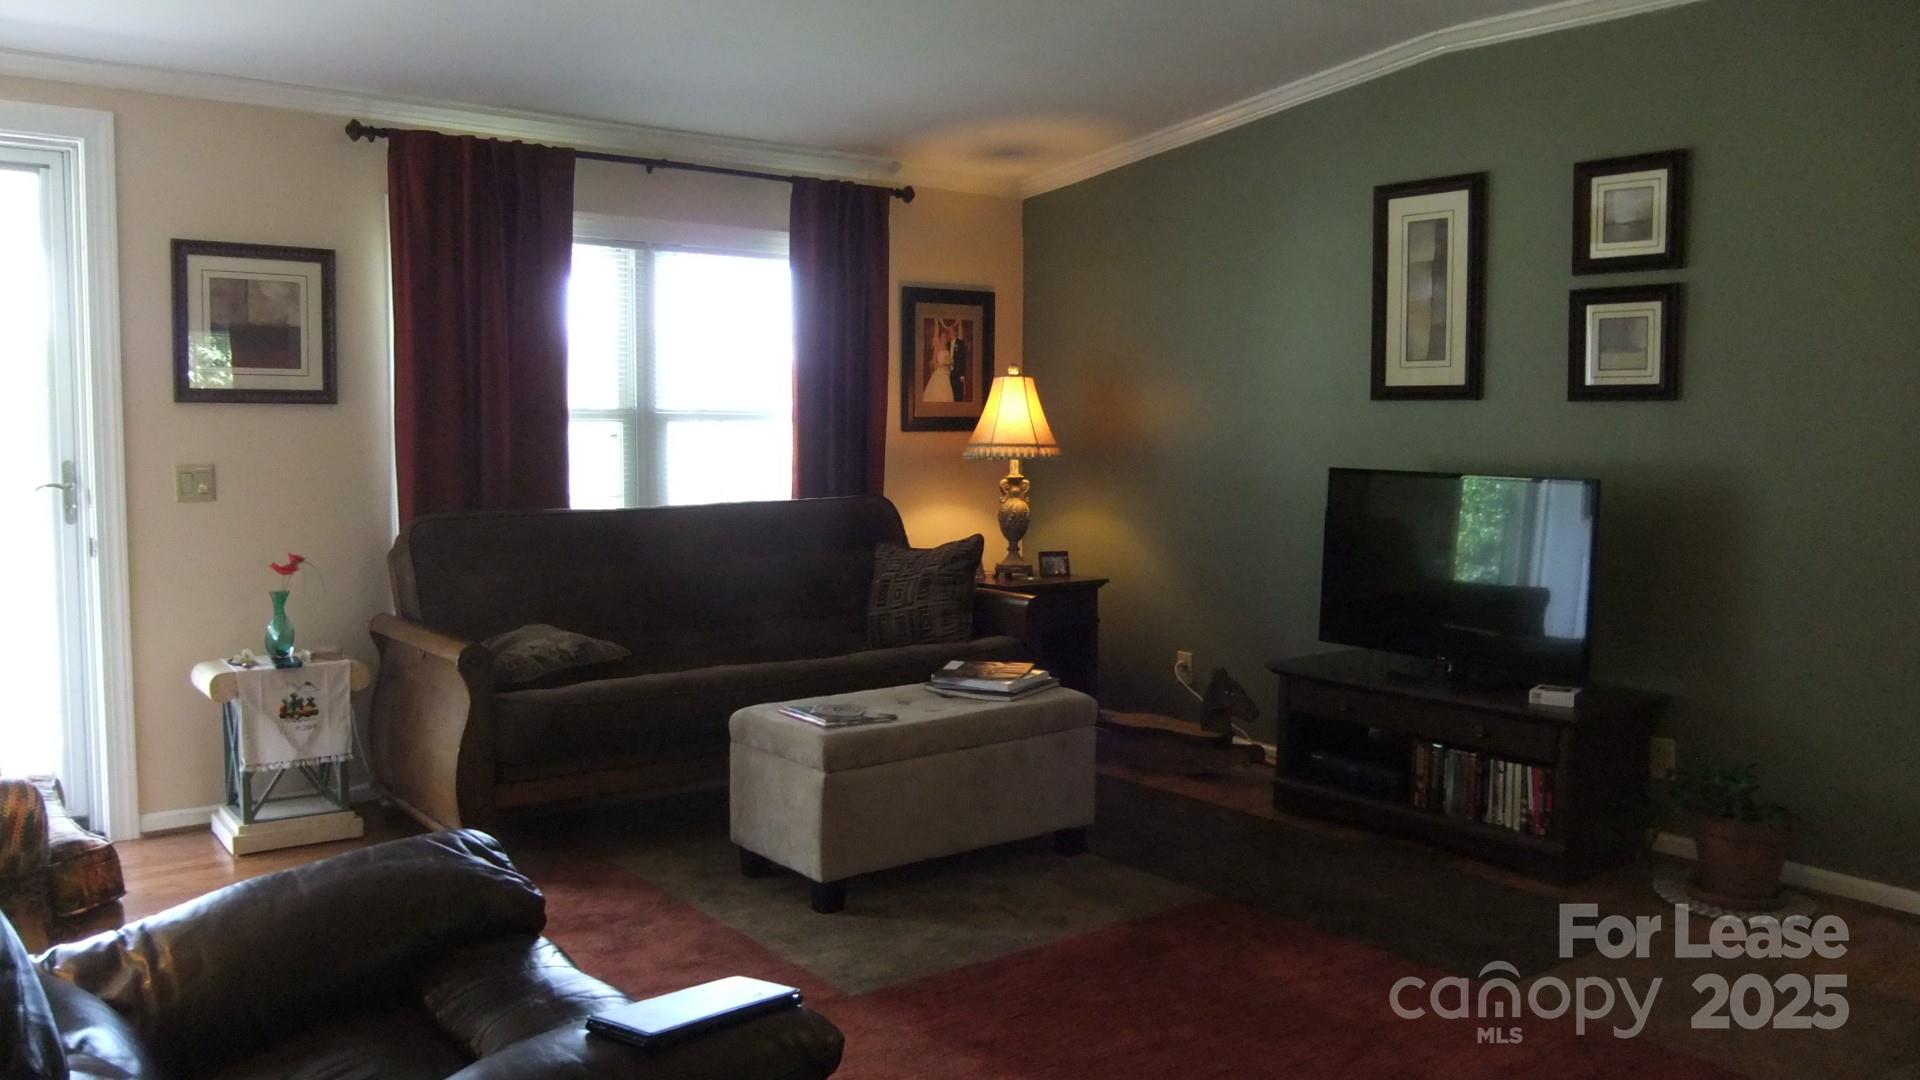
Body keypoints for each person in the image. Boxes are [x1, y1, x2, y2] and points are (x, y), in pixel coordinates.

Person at [922, 319, 957, 403]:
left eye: (945, 337)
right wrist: (941, 365)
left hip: (946, 372)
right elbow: (934, 361)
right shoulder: (937, 347)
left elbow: (949, 360)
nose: (944, 339)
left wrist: (949, 363)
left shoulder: (947, 347)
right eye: (943, 337)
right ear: (940, 337)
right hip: (940, 371)